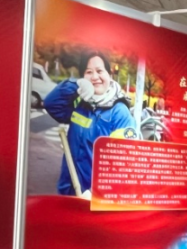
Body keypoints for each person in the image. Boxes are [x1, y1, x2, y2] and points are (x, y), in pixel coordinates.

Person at [44, 53, 137, 197]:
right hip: (68, 191)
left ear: (109, 74)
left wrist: (95, 193)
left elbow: (124, 164)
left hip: (94, 199)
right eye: (88, 72)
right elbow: (51, 104)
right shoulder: (80, 103)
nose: (94, 77)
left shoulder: (119, 113)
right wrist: (76, 85)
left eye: (99, 71)